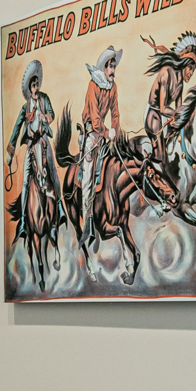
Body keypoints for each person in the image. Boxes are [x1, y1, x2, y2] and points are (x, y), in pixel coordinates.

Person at [5, 58, 61, 271]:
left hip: (44, 144)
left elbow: (52, 114)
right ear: (29, 88)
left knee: (54, 176)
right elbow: (17, 127)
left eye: (37, 84)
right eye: (33, 85)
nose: (36, 88)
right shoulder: (24, 107)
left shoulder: (45, 99)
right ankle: (23, 224)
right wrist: (11, 150)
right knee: (26, 185)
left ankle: (58, 216)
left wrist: (46, 117)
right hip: (30, 147)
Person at [75, 45, 123, 246]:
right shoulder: (93, 85)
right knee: (88, 175)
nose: (113, 70)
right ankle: (87, 221)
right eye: (110, 66)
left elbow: (115, 113)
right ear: (103, 68)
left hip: (104, 135)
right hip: (92, 134)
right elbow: (95, 119)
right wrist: (105, 132)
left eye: (114, 66)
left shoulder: (113, 88)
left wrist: (115, 133)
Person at [142, 31, 196, 178]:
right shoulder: (166, 72)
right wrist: (178, 114)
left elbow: (179, 107)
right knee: (161, 154)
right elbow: (163, 108)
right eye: (190, 70)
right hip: (154, 115)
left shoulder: (180, 82)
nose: (190, 74)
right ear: (185, 65)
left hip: (166, 116)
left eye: (193, 72)